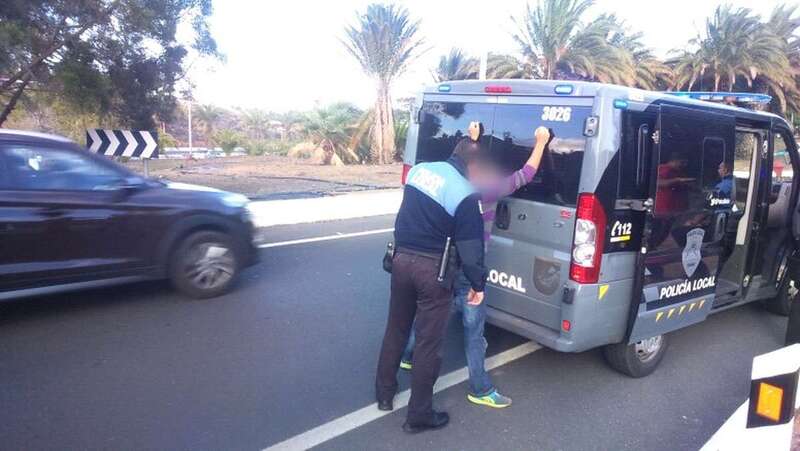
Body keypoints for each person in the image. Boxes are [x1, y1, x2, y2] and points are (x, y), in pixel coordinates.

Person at [399, 126, 551, 409]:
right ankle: (480, 389)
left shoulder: (451, 183)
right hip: (469, 270)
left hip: (441, 262)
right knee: (474, 332)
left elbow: (464, 159)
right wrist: (541, 142)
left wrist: (473, 139)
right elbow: (526, 174)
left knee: (429, 316)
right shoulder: (489, 189)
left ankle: (408, 357)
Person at [375, 142, 489, 434]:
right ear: (474, 166)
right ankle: (419, 415)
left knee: (396, 329)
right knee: (428, 343)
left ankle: (384, 394)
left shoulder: (419, 172)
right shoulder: (465, 192)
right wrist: (478, 285)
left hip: (400, 261)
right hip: (432, 272)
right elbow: (471, 249)